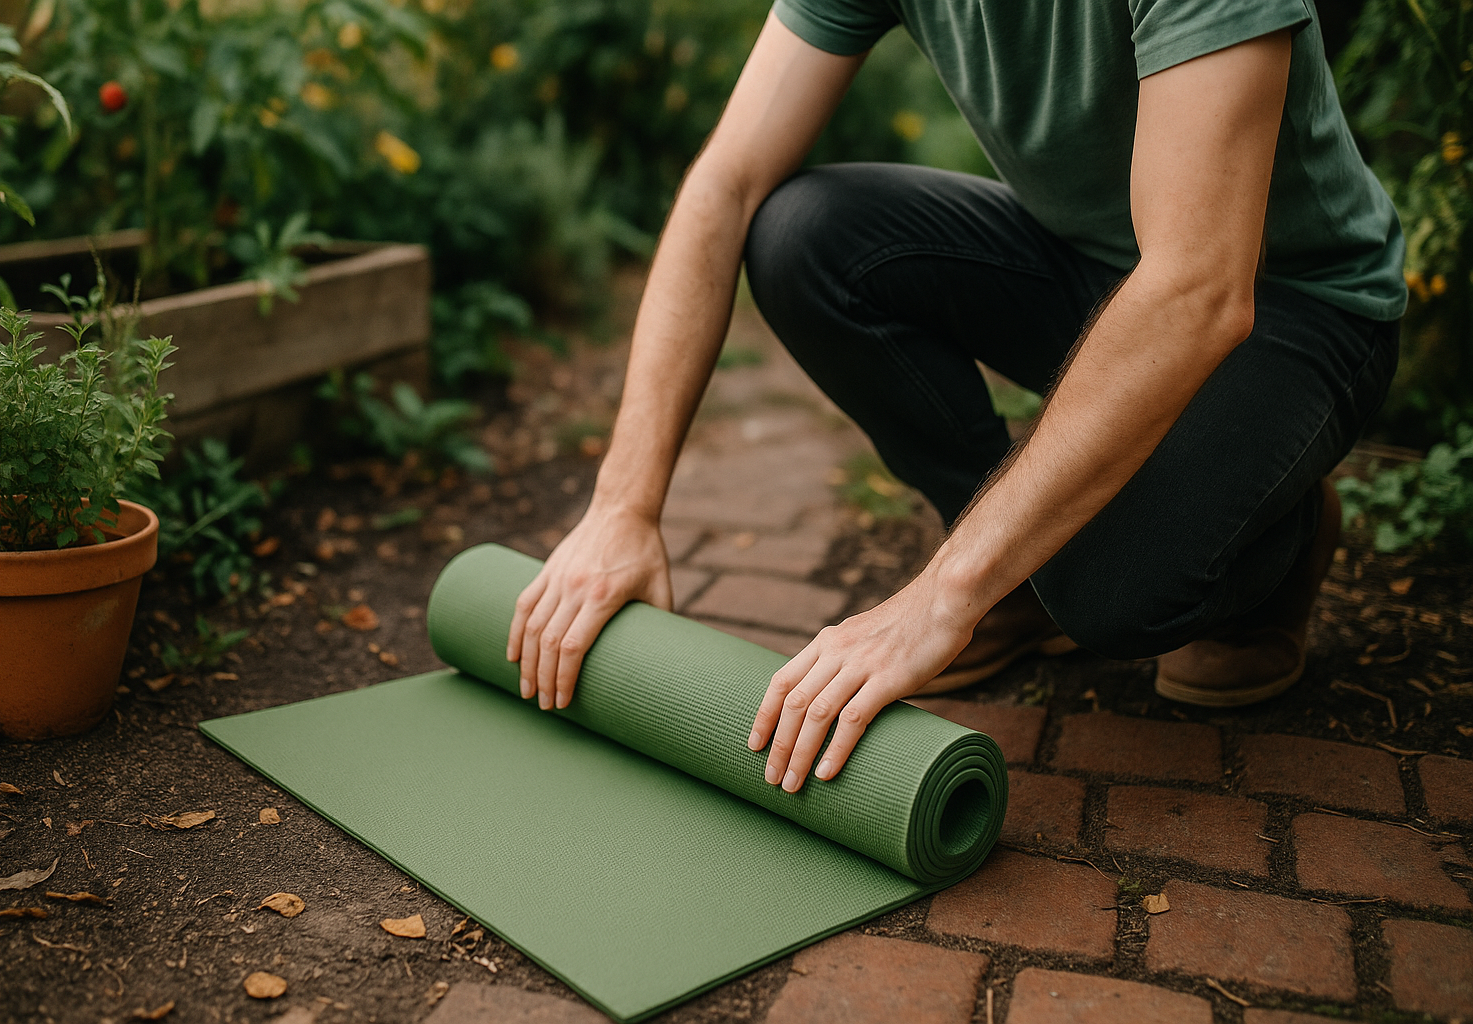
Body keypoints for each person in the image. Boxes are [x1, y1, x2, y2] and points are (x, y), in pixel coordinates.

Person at [505, 0, 1405, 797]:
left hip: (1290, 300)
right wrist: (623, 506)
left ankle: (1271, 540)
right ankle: (1015, 590)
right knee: (801, 236)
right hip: (1095, 271)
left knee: (1106, 591)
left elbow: (1198, 288)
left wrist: (937, 597)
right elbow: (727, 184)